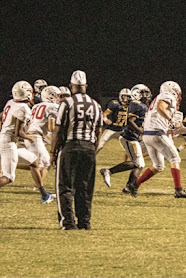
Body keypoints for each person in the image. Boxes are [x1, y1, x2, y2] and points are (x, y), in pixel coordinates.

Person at [50, 70, 103, 230]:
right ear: (85, 85)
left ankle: (68, 222)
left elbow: (57, 130)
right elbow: (98, 131)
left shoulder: (66, 103)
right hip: (88, 148)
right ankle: (84, 222)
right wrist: (93, 148)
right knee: (85, 186)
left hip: (70, 146)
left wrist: (53, 152)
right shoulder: (96, 104)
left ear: (71, 86)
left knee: (65, 186)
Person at [127, 81, 186, 198]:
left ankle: (135, 185)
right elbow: (160, 107)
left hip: (149, 135)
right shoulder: (167, 95)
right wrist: (172, 120)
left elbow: (166, 126)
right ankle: (178, 190)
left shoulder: (159, 98)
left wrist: (183, 130)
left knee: (158, 166)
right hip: (156, 132)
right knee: (175, 158)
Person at [0, 81, 54, 203]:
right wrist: (30, 138)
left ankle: (44, 195)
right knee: (8, 177)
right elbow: (18, 133)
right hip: (8, 142)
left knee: (34, 162)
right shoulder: (23, 108)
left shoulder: (11, 102)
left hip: (7, 140)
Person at [100, 84, 152, 192]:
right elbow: (130, 121)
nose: (146, 95)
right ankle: (108, 171)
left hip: (133, 137)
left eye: (146, 93)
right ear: (136, 94)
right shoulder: (137, 105)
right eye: (143, 93)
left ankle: (129, 187)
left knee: (140, 163)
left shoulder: (141, 106)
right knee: (138, 163)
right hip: (130, 137)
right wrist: (141, 131)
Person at [25, 85, 60, 186]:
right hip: (36, 137)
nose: (58, 98)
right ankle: (39, 188)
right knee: (45, 163)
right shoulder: (53, 107)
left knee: (39, 163)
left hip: (31, 135)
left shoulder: (36, 106)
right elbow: (51, 128)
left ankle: (39, 187)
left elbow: (28, 123)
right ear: (51, 96)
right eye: (57, 95)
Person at [96, 88, 131, 153]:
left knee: (129, 148)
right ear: (121, 96)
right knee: (99, 145)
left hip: (122, 131)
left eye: (128, 96)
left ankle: (131, 162)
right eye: (124, 96)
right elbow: (105, 113)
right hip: (111, 129)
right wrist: (106, 119)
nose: (126, 98)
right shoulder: (115, 104)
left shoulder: (131, 106)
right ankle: (90, 158)